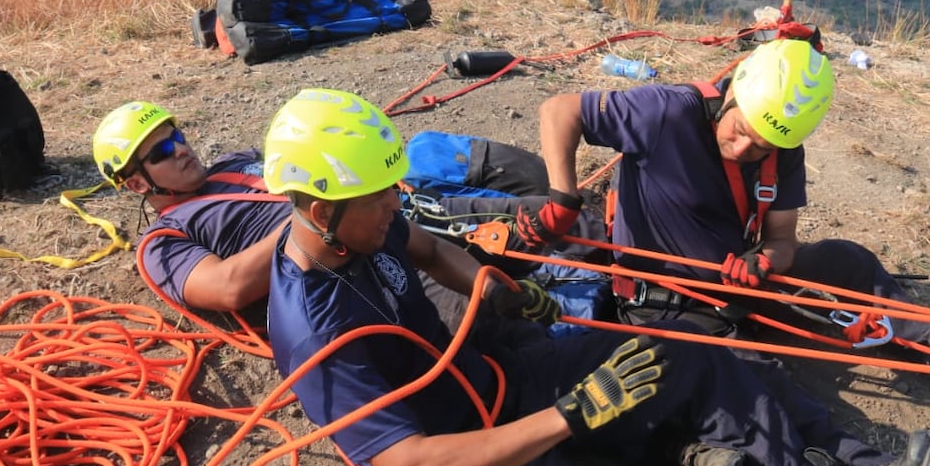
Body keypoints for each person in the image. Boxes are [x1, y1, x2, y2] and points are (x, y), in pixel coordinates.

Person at [260, 87, 930, 466]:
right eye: (379, 195)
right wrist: (568, 417)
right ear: (319, 211)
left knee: (679, 353)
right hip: (446, 462)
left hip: (486, 376)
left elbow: (433, 250)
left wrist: (501, 291)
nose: (394, 204)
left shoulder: (365, 227)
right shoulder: (314, 329)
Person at [523, 39, 930, 466]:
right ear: (731, 93)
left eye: (761, 148)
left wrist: (766, 260)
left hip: (743, 288)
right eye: (739, 132)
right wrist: (563, 198)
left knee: (845, 261)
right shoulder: (665, 113)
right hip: (671, 309)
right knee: (772, 391)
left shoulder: (783, 148)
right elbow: (561, 110)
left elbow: (782, 237)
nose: (744, 150)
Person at [90, 100, 604, 318]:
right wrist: (317, 220)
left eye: (175, 135)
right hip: (352, 266)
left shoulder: (233, 162)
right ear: (136, 182)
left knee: (563, 223)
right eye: (160, 151)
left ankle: (651, 256)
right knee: (500, 321)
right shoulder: (167, 239)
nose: (180, 148)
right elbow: (225, 288)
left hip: (396, 213)